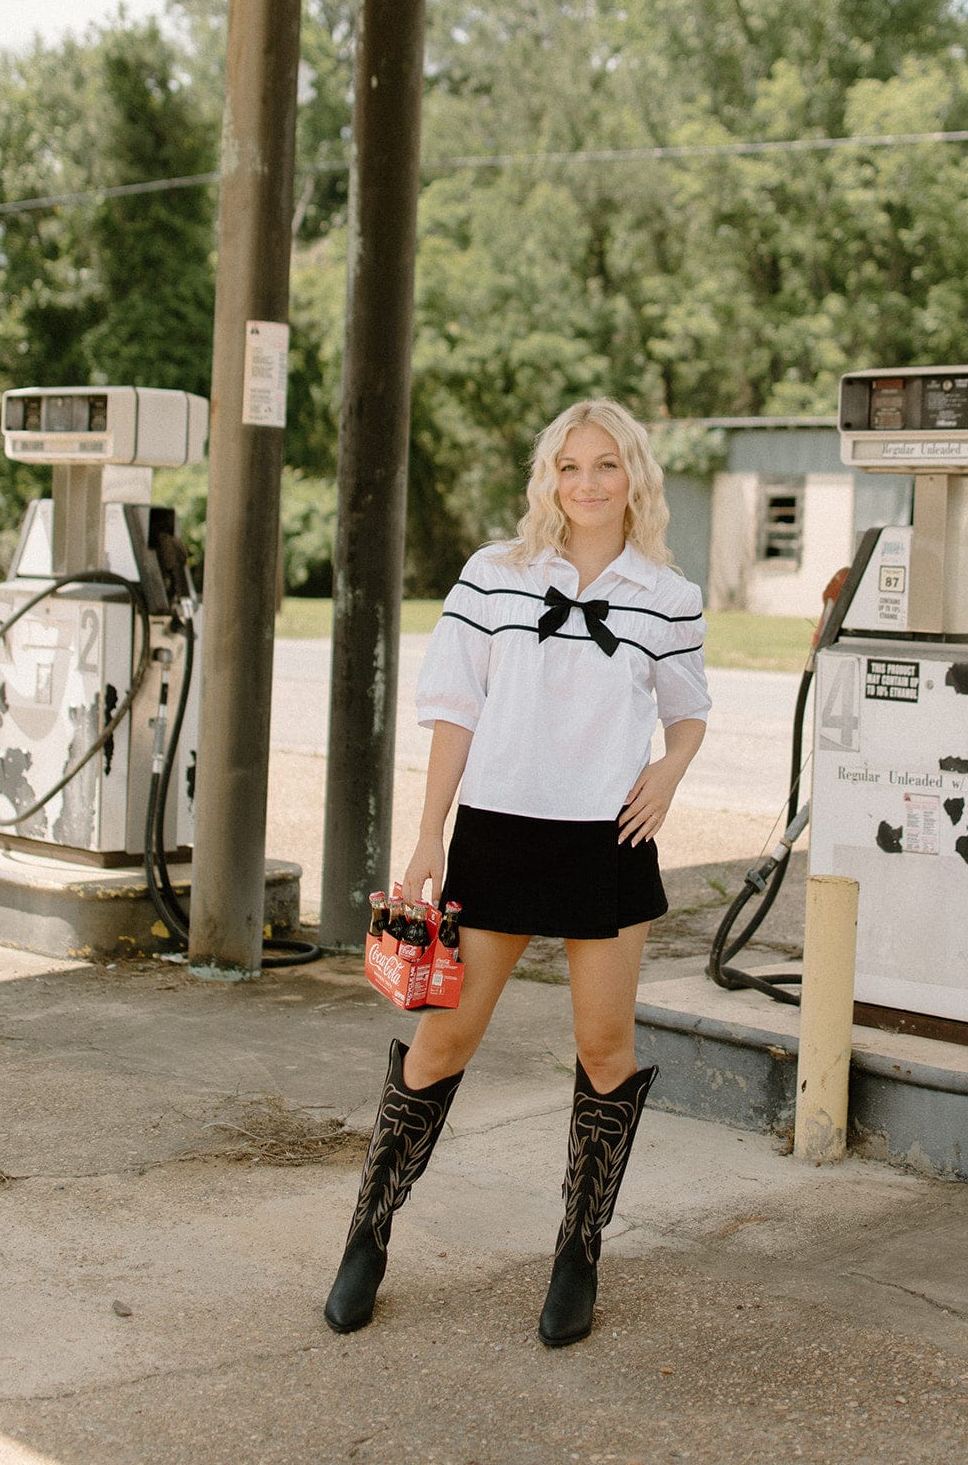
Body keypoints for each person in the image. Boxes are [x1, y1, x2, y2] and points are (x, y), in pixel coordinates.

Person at [324, 398, 710, 1346]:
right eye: (569, 466)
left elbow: (688, 707)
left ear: (634, 478)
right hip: (496, 836)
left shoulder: (667, 592)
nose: (586, 483)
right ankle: (367, 1234)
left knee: (603, 1049)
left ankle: (578, 1251)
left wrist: (668, 770)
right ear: (549, 478)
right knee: (442, 1044)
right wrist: (427, 836)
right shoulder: (492, 576)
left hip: (606, 844)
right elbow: (453, 708)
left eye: (606, 466)